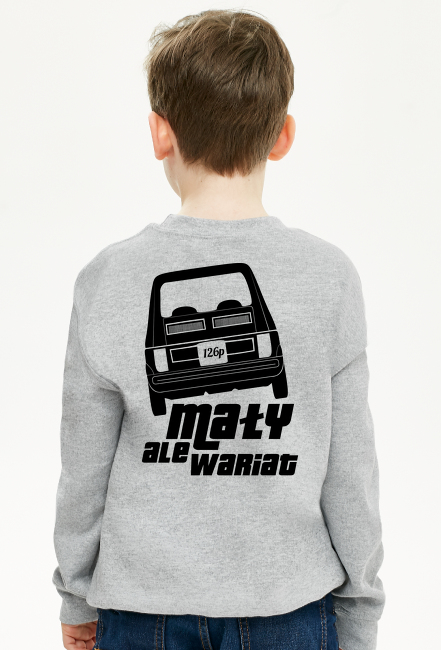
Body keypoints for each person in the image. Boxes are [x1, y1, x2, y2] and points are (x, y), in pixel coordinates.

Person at [52, 9, 385, 650]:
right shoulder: (328, 277)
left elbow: (82, 472)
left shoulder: (109, 279)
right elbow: (353, 477)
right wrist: (361, 611)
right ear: (283, 135)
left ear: (160, 133)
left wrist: (75, 594)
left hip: (141, 609)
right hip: (291, 607)